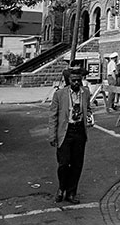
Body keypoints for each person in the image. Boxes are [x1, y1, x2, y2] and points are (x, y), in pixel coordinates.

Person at [48, 71, 93, 204]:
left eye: (79, 80)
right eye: (73, 80)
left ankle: (71, 192)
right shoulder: (59, 94)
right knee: (63, 163)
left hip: (79, 131)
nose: (76, 83)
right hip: (65, 132)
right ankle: (61, 188)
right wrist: (52, 135)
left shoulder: (85, 92)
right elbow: (53, 116)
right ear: (69, 81)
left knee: (77, 164)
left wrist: (89, 117)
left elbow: (88, 108)